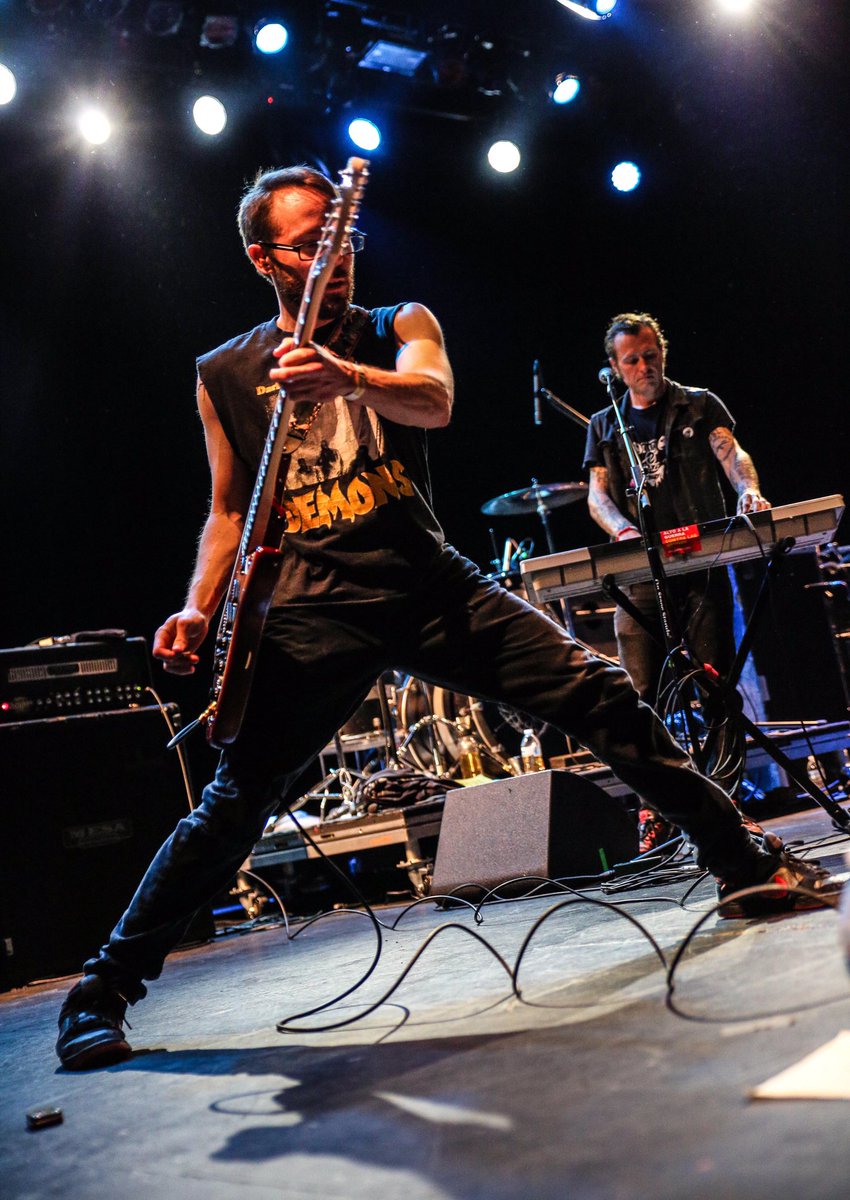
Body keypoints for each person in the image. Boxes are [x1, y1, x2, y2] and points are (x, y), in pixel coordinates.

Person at [56, 170, 834, 1071]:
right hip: (311, 612)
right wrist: (198, 605)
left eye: (342, 237)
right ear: (262, 257)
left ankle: (740, 862)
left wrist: (343, 374)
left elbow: (435, 399)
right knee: (236, 802)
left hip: (428, 583)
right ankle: (99, 993)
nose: (333, 257)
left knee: (597, 689)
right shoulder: (224, 372)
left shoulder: (399, 324)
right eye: (310, 243)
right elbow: (230, 508)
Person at [584, 312, 770, 850]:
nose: (645, 367)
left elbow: (732, 453)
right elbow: (597, 495)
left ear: (662, 351)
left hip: (701, 566)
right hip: (641, 574)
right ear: (616, 369)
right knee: (641, 697)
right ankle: (657, 807)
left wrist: (747, 492)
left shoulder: (699, 403)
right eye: (633, 361)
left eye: (651, 355)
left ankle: (727, 803)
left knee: (715, 687)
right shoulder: (605, 425)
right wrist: (620, 527)